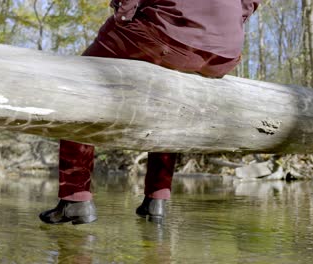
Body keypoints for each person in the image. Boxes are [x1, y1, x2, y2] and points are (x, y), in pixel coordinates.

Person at [39, 0, 260, 225]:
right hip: (223, 54)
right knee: (169, 101)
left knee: (80, 83)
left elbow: (127, 9)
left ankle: (75, 199)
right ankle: (156, 200)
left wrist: (123, 16)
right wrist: (226, 23)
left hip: (166, 37)